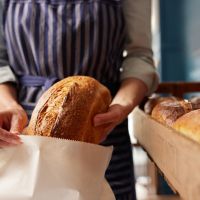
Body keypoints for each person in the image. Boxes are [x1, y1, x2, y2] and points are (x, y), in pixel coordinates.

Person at [0, 0, 159, 199]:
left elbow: (139, 57)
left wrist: (122, 106)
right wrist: (7, 105)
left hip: (102, 129)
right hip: (26, 133)